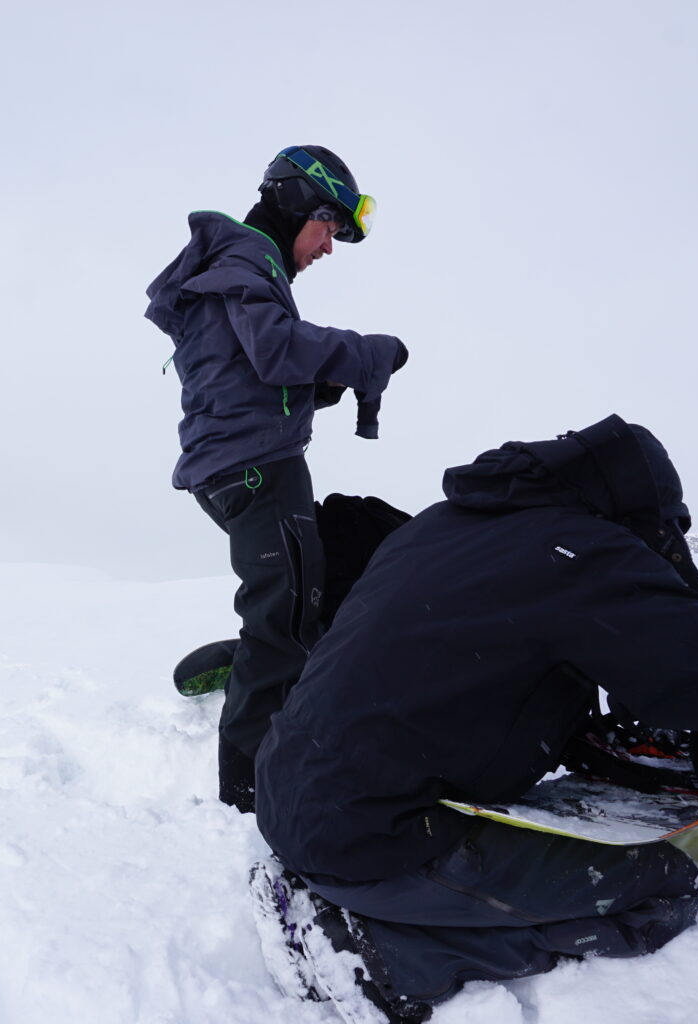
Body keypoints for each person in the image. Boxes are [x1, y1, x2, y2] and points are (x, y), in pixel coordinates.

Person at [252, 414, 698, 1021]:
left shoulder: (445, 525)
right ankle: (384, 954)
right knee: (664, 887)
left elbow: (470, 659)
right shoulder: (580, 554)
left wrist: (584, 731)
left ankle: (356, 900)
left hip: (291, 798)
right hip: (373, 843)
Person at [144, 146, 409, 813]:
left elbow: (250, 372)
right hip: (256, 469)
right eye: (327, 227)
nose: (327, 247)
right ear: (297, 202)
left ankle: (263, 661)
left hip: (243, 463)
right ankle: (249, 790)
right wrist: (368, 354)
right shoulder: (245, 261)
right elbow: (278, 350)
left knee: (322, 573)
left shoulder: (239, 268)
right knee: (285, 612)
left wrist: (328, 384)